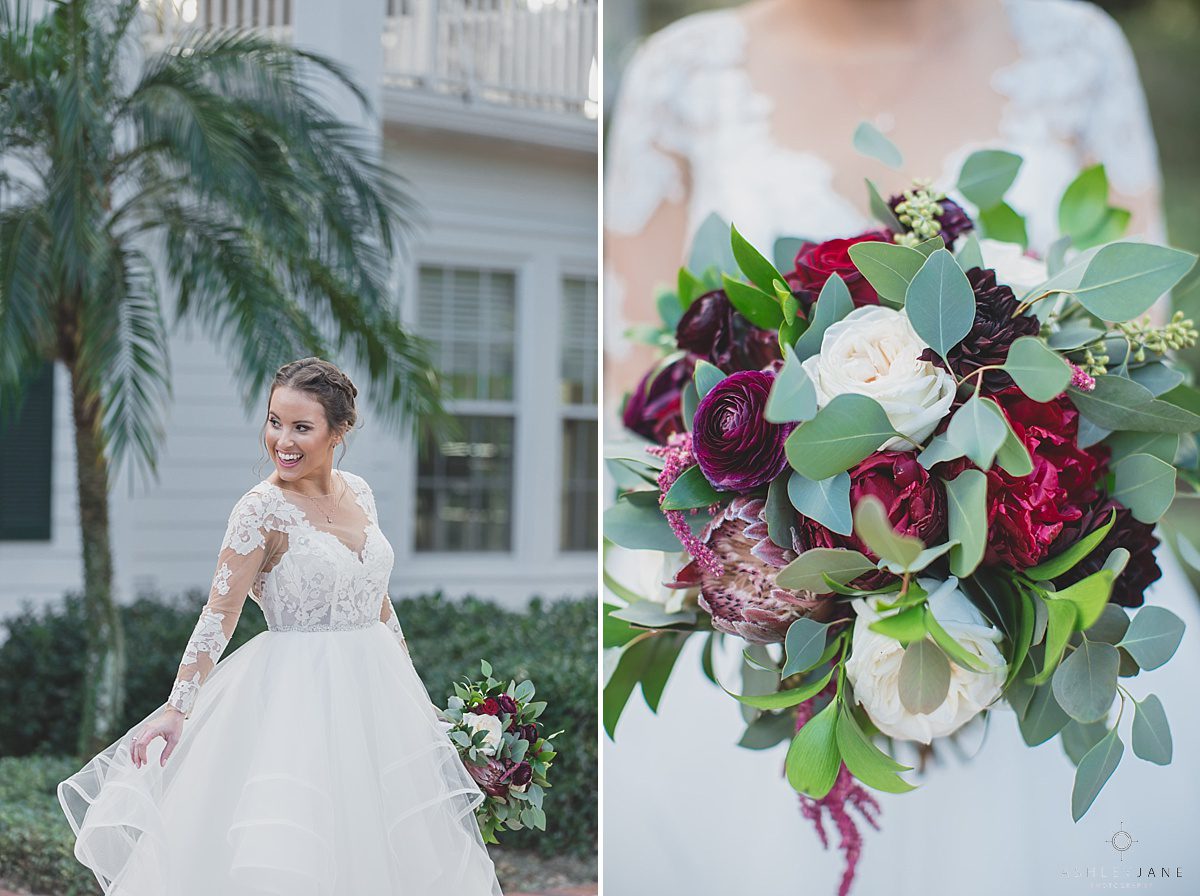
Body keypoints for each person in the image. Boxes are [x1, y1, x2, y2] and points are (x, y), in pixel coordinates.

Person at [603, 1, 1200, 893]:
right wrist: (819, 564)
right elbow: (639, 369)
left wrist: (982, 548)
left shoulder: (1077, 50)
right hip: (768, 611)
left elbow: (1129, 340)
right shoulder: (681, 71)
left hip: (1043, 590)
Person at [58, 357, 504, 895]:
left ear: (339, 431)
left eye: (301, 427)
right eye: (274, 421)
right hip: (298, 704)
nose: (282, 441)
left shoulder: (359, 492)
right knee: (302, 848)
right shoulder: (260, 510)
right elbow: (220, 612)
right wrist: (178, 707)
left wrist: (420, 702)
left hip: (375, 699)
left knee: (379, 846)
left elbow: (378, 604)